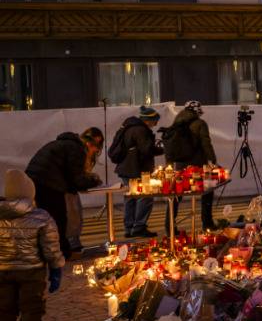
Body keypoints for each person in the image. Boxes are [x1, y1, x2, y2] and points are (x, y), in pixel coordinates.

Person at [0, 169, 64, 321]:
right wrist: (56, 267)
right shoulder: (41, 216)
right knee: (32, 310)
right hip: (32, 272)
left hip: (2, 271)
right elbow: (51, 246)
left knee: (3, 310)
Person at [25, 129, 102, 258]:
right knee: (58, 219)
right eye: (95, 149)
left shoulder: (65, 144)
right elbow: (77, 179)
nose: (94, 153)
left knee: (48, 219)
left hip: (35, 181)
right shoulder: (77, 149)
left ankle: (52, 252)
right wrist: (94, 180)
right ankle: (62, 254)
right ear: (89, 145)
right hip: (47, 184)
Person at [163, 101, 217, 231]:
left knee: (177, 194)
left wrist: (169, 166)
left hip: (180, 165)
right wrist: (212, 160)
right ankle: (207, 222)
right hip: (198, 165)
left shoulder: (176, 124)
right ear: (198, 112)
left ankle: (169, 225)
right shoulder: (200, 124)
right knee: (208, 191)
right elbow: (206, 143)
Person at [114, 106, 164, 238]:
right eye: (155, 121)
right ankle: (139, 226)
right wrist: (162, 148)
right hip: (137, 169)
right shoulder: (141, 130)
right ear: (148, 120)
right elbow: (146, 150)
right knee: (145, 196)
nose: (156, 124)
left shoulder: (129, 128)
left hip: (126, 168)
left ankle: (129, 227)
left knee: (130, 198)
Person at [65, 127, 104, 255]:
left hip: (68, 186)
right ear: (87, 142)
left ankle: (73, 243)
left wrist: (90, 178)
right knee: (72, 214)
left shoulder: (83, 152)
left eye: (98, 144)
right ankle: (72, 244)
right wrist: (90, 181)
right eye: (94, 144)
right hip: (64, 187)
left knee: (76, 213)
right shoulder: (77, 151)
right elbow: (75, 176)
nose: (96, 148)